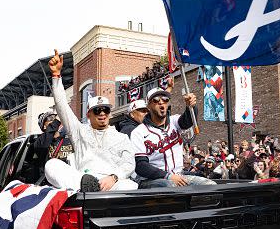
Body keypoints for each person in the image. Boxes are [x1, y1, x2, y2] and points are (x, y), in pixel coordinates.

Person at [48, 50, 137, 191]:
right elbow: (62, 106)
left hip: (111, 183)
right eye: (97, 110)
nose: (102, 113)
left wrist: (113, 177)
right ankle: (87, 186)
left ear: (109, 113)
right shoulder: (79, 131)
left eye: (105, 110)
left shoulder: (122, 137)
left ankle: (93, 189)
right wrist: (56, 76)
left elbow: (129, 164)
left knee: (131, 186)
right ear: (88, 114)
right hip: (82, 180)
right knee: (51, 165)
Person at [130, 87, 216, 188]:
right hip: (151, 180)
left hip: (178, 176)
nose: (161, 102)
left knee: (210, 185)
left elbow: (187, 121)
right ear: (148, 105)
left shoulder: (174, 121)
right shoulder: (139, 132)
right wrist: (167, 176)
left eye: (165, 99)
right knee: (169, 185)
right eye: (156, 100)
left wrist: (191, 106)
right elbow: (141, 166)